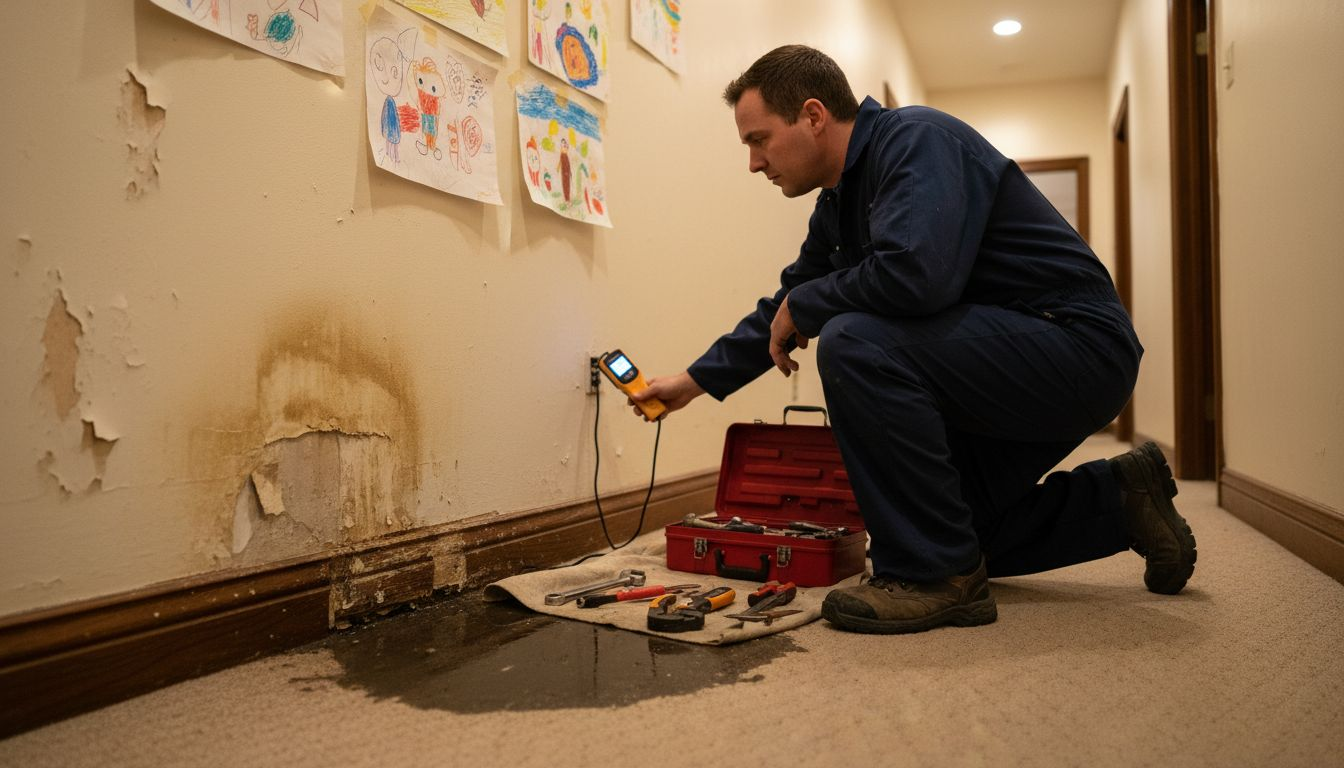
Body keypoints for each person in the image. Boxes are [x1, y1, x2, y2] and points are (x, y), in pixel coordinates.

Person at [628, 45, 1197, 635]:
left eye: (759, 139)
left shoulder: (918, 139)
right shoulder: (837, 206)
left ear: (814, 115)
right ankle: (1123, 497)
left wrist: (811, 303)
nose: (753, 162)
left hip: (1076, 345)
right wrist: (693, 383)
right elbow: (787, 307)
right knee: (950, 522)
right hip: (1007, 362)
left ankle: (937, 579)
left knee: (853, 339)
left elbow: (918, 277)